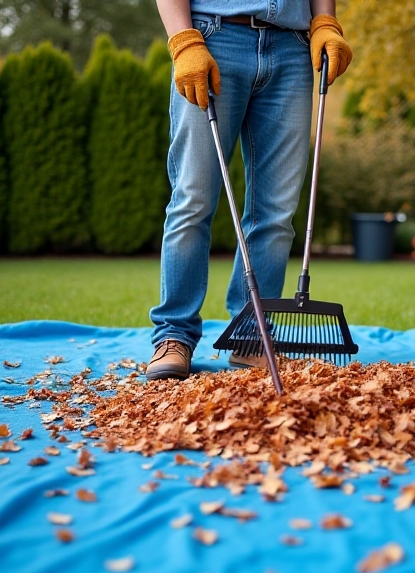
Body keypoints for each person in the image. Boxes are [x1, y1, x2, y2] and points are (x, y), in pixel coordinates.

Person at [146, 0, 352, 380]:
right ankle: (174, 335)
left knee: (276, 212)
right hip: (212, 39)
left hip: (291, 47)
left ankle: (251, 334)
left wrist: (326, 22)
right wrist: (183, 41)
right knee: (193, 200)